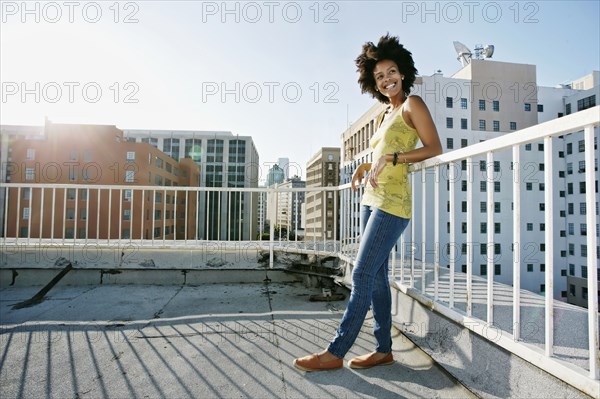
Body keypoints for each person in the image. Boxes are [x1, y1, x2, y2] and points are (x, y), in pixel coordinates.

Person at [293, 34, 442, 372]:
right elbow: (380, 152)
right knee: (376, 277)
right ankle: (383, 349)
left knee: (360, 273)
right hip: (370, 199)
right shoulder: (383, 113)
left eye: (391, 72)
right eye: (379, 77)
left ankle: (336, 351)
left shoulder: (412, 105)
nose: (386, 80)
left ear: (402, 72)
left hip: (393, 203)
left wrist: (393, 156)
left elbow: (433, 148)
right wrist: (367, 163)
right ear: (372, 83)